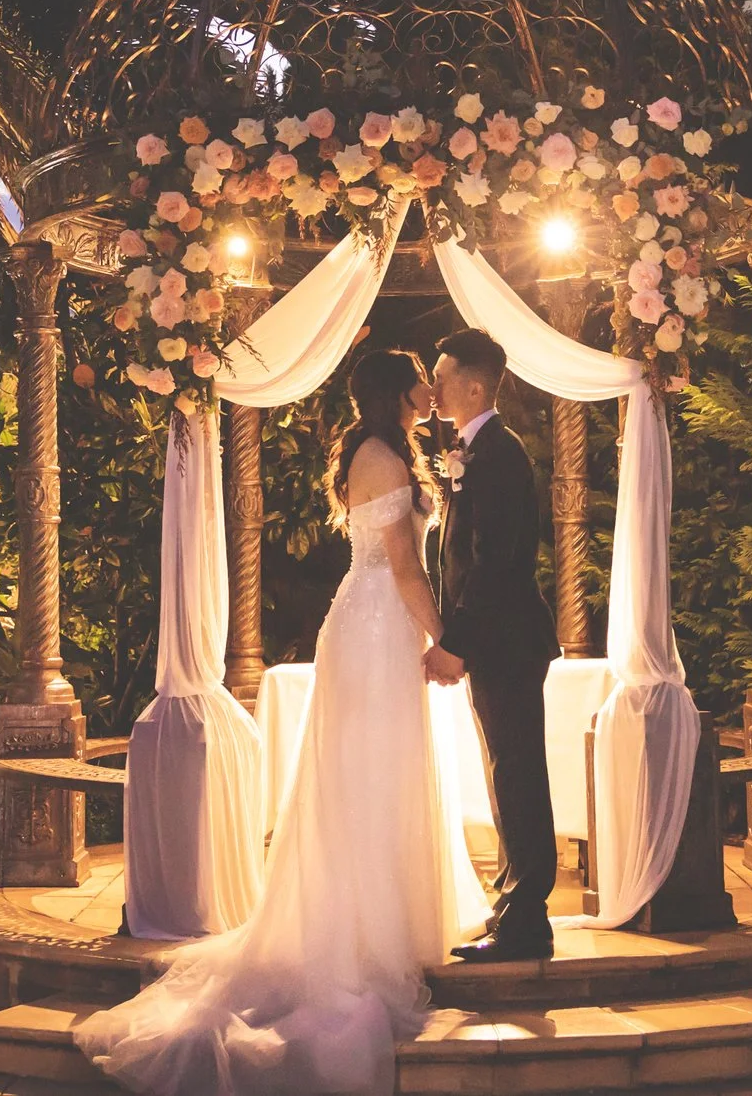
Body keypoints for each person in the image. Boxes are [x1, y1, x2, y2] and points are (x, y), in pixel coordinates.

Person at [73, 349, 486, 1096]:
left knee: (386, 770)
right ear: (399, 389)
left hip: (379, 625)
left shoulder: (392, 449)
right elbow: (400, 563)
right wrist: (444, 639)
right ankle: (358, 929)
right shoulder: (378, 454)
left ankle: (395, 915)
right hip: (373, 626)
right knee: (366, 775)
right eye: (423, 376)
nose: (431, 388)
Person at [425, 326, 561, 961]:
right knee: (505, 771)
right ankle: (513, 902)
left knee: (519, 773)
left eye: (442, 376)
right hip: (497, 643)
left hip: (507, 641)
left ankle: (528, 919)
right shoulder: (476, 451)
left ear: (472, 386)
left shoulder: (499, 455)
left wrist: (455, 641)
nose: (433, 387)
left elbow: (493, 561)